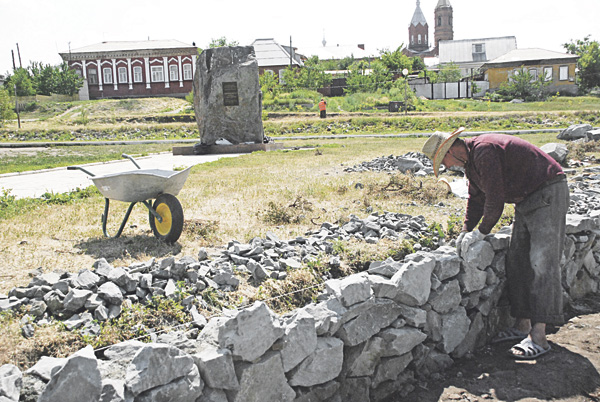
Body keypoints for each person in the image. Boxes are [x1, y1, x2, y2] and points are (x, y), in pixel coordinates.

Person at [421, 127, 569, 360]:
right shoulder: (471, 163)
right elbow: (477, 198)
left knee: (542, 263)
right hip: (527, 198)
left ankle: (539, 336)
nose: (447, 167)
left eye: (444, 161)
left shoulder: (484, 151)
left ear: (452, 150)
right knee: (517, 261)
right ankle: (523, 325)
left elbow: (495, 199)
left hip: (548, 192)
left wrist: (481, 232)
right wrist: (465, 231)